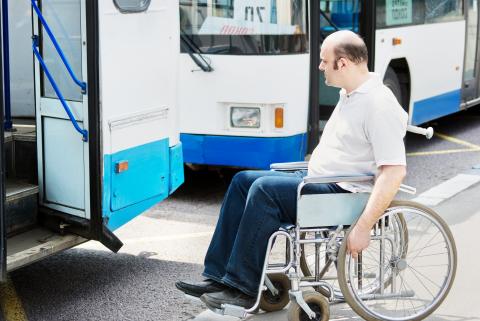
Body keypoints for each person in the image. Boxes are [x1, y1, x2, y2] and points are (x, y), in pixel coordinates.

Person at [176, 30, 408, 310]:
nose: (321, 67)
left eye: (324, 61)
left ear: (343, 63)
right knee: (242, 181)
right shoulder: (351, 95)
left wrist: (363, 227)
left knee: (265, 191)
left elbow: (394, 172)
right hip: (317, 180)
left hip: (342, 192)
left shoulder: (378, 104)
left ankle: (243, 288)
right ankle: (219, 278)